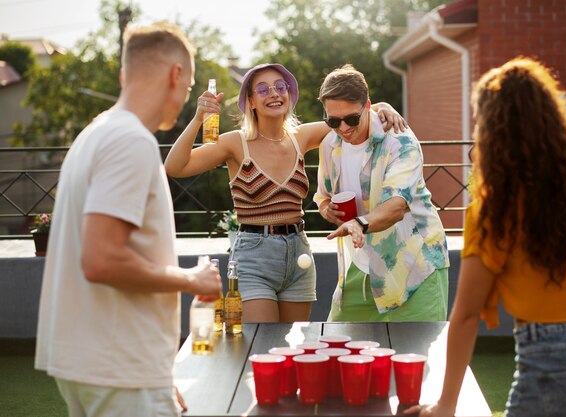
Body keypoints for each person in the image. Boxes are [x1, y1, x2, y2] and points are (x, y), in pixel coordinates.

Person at [407, 57, 566, 417]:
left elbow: (466, 316)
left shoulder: (495, 208)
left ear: (492, 129)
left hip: (557, 357)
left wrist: (445, 406)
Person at [35, 22, 222, 417]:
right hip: (119, 369)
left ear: (124, 75)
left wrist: (156, 375)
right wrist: (193, 279)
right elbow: (102, 259)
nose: (184, 97)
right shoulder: (131, 140)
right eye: (188, 88)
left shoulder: (95, 134)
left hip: (97, 365)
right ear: (175, 75)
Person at [164, 63, 407, 323]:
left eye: (281, 87)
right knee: (261, 343)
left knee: (290, 347)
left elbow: (354, 114)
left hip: (298, 254)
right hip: (254, 256)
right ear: (251, 101)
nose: (274, 93)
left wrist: (384, 107)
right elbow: (175, 166)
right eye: (263, 89)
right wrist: (199, 117)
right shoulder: (235, 142)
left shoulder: (300, 137)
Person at [313, 64, 449, 322]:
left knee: (414, 360)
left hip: (415, 269)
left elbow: (396, 206)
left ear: (368, 106)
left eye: (351, 119)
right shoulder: (329, 145)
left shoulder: (400, 140)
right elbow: (323, 196)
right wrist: (326, 209)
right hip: (362, 268)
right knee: (338, 350)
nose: (343, 128)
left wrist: (359, 223)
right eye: (333, 121)